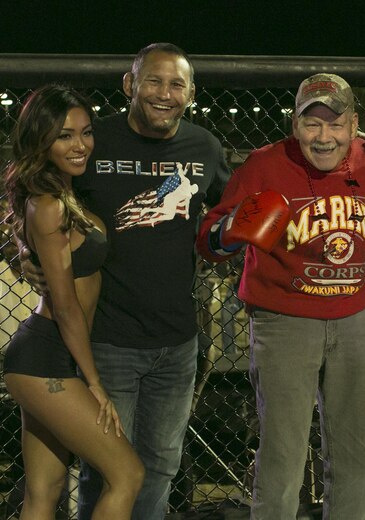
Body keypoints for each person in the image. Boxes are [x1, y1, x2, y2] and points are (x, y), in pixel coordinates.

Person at [17, 43, 232, 520]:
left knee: (159, 467)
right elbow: (32, 197)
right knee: (108, 469)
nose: (164, 93)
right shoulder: (92, 143)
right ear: (130, 85)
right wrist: (21, 256)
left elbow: (225, 217)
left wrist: (232, 238)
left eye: (177, 84)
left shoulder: (206, 147)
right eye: (153, 81)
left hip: (176, 340)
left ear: (191, 93)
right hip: (108, 339)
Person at [197, 73, 365, 520]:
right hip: (283, 321)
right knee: (282, 456)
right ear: (294, 125)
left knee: (353, 454)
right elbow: (208, 243)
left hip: (356, 320)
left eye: (335, 124)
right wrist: (230, 232)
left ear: (354, 124)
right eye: (312, 124)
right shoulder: (263, 165)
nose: (324, 137)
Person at [2, 85, 145, 519]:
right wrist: (95, 383)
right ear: (41, 140)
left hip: (48, 355)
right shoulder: (48, 204)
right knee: (127, 474)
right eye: (65, 135)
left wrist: (21, 252)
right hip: (48, 356)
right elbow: (65, 306)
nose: (80, 144)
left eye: (85, 132)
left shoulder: (62, 195)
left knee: (44, 492)